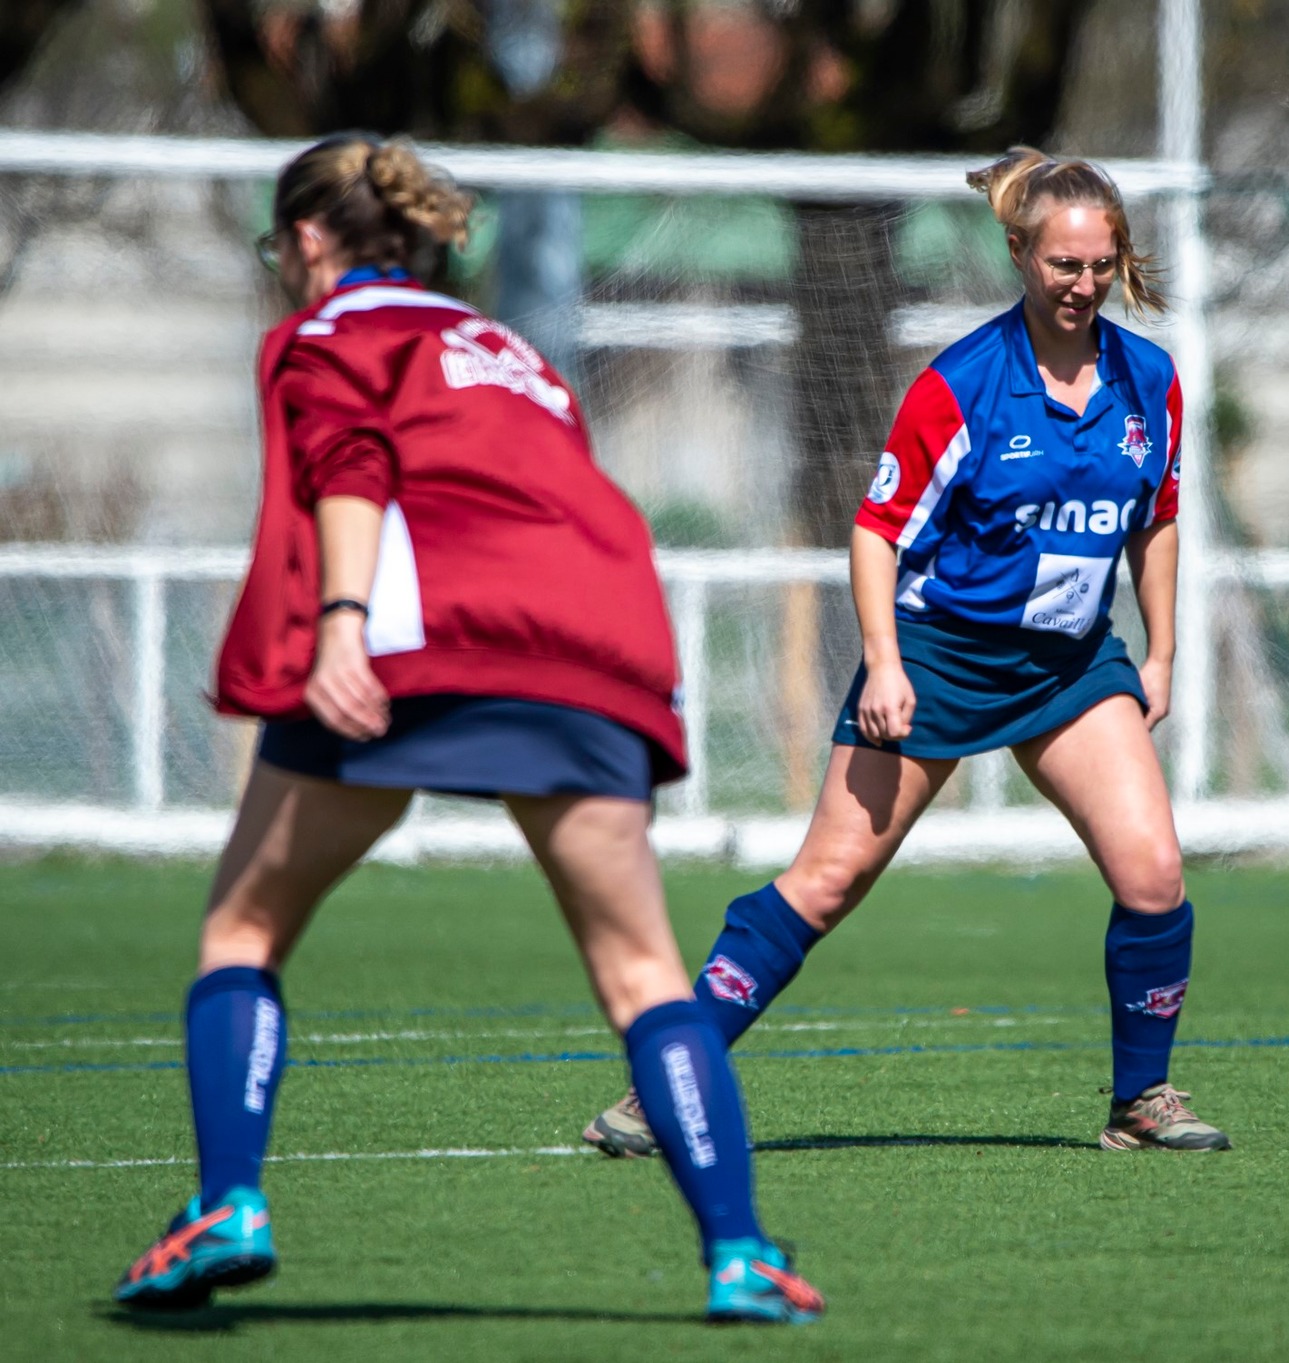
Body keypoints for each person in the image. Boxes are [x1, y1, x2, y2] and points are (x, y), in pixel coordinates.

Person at [112, 134, 823, 1325]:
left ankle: (228, 1202)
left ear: (305, 240)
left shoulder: (328, 334)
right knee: (646, 971)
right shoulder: (509, 352)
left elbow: (349, 464)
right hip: (590, 651)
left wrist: (341, 621)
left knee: (243, 923)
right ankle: (740, 1253)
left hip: (416, 648)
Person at [584, 146, 1228, 1158]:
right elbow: (875, 529)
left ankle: (1139, 1102)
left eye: (1098, 265)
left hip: (1069, 667)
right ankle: (662, 1083)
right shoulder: (961, 384)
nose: (1082, 284)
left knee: (1152, 872)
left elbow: (1158, 521)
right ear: (1018, 254)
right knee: (825, 883)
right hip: (937, 656)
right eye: (1062, 264)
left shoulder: (1149, 381)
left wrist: (1159, 655)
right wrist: (884, 663)